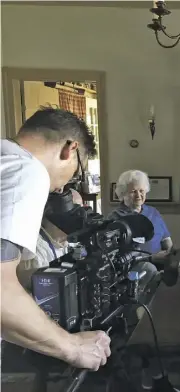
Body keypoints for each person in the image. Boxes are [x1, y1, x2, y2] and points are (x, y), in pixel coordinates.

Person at [1, 107, 111, 371]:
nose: (63, 188)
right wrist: (72, 347)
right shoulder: (26, 170)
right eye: (77, 173)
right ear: (69, 149)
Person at [109, 170, 173, 264]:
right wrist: (150, 258)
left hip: (161, 267)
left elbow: (166, 240)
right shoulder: (115, 218)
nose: (138, 195)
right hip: (134, 272)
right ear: (123, 194)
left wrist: (169, 254)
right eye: (133, 191)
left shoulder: (153, 212)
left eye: (141, 191)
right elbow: (114, 257)